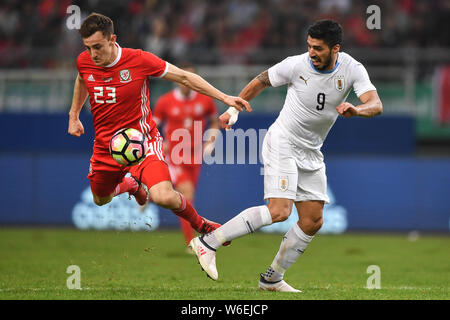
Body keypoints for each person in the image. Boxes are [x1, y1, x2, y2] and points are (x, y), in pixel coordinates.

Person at [188, 20, 383, 292]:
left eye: (318, 48)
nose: (311, 52)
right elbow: (261, 80)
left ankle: (272, 278)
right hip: (283, 141)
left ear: (335, 49)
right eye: (309, 46)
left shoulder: (352, 69)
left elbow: (376, 104)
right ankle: (209, 242)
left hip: (311, 151)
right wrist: (234, 110)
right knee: (280, 211)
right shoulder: (296, 64)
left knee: (313, 220)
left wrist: (358, 110)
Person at [68, 13, 251, 236]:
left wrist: (224, 98)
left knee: (163, 196)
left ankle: (202, 225)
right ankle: (132, 185)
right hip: (106, 146)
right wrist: (74, 115)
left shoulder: (139, 60)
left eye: (97, 47)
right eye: (88, 48)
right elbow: (81, 78)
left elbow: (185, 77)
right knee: (100, 199)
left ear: (112, 39)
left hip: (143, 142)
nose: (92, 54)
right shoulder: (84, 61)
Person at [151, 62, 220, 248]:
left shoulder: (205, 100)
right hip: (174, 156)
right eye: (184, 78)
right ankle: (192, 243)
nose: (187, 83)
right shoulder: (165, 101)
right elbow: (152, 127)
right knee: (187, 195)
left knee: (187, 198)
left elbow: (215, 122)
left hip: (195, 157)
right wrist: (160, 143)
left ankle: (145, 191)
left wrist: (211, 140)